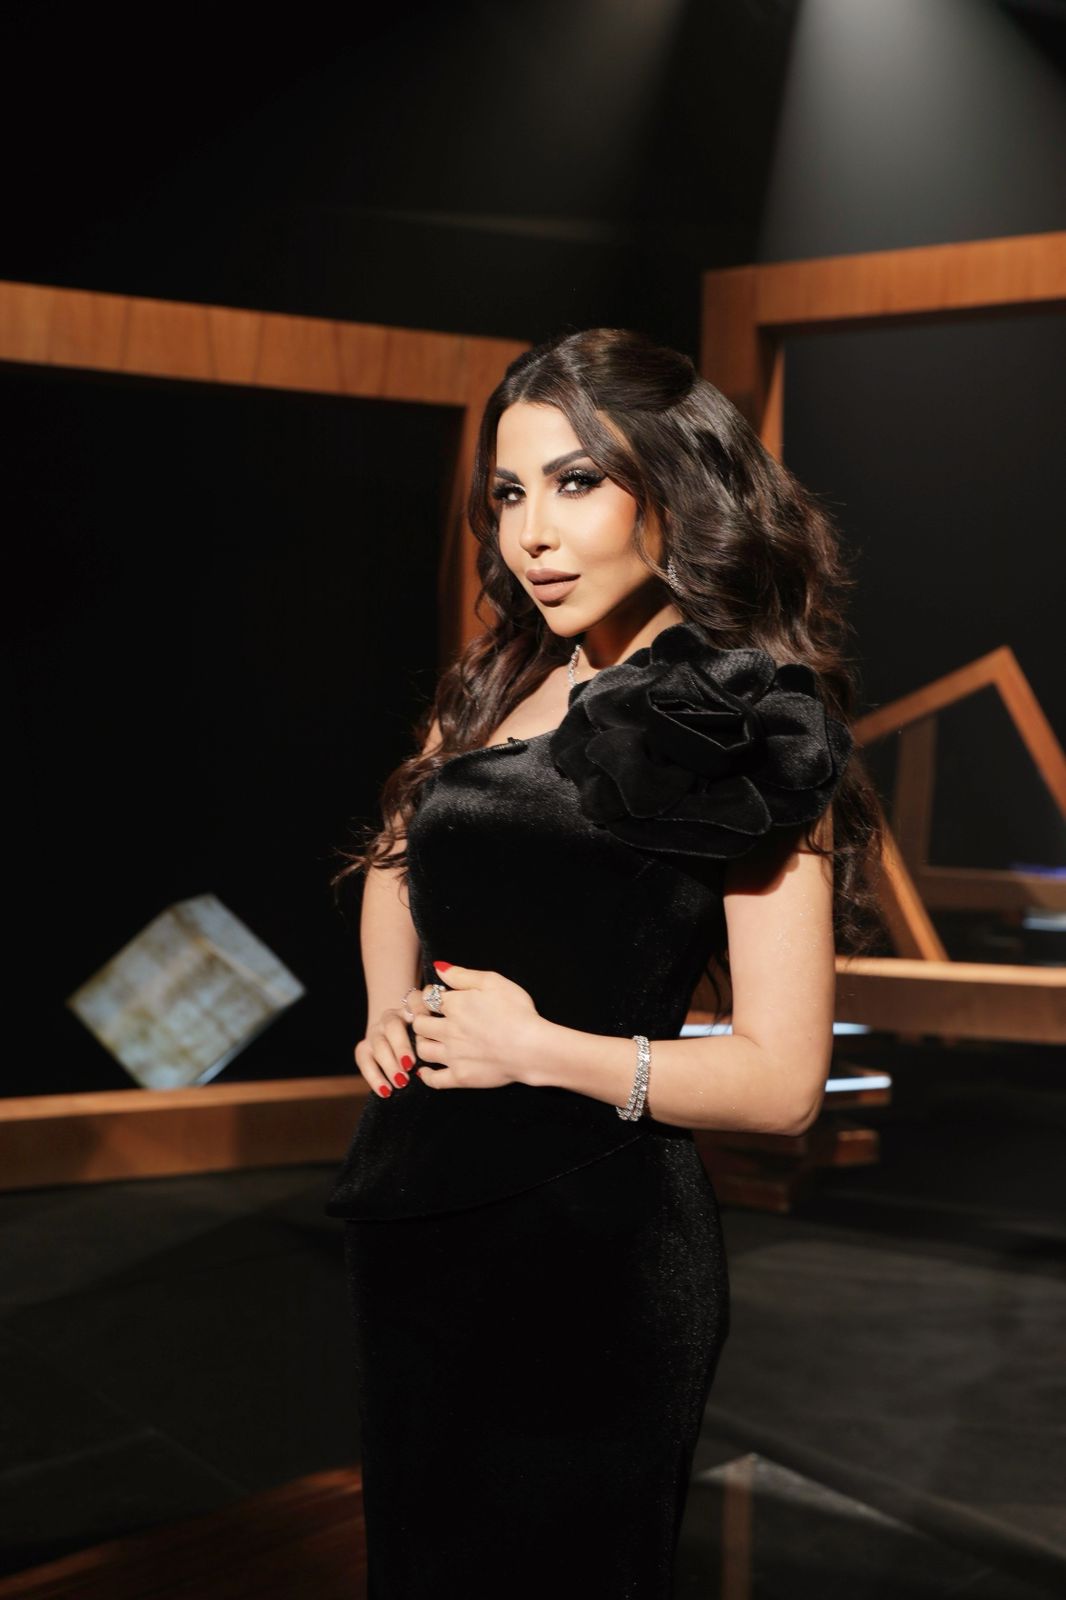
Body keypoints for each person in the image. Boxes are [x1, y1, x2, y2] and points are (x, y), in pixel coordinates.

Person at [326, 327, 883, 1599]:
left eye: (576, 483)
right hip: (419, 1216)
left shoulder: (748, 721)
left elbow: (782, 1081)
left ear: (671, 486)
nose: (532, 533)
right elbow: (397, 857)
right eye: (508, 494)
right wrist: (386, 1005)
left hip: (596, 1255)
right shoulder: (497, 680)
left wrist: (537, 1049)